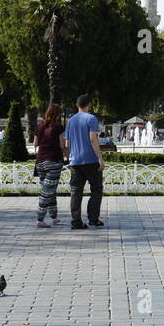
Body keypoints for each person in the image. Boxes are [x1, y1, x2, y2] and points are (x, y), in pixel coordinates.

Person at [63, 94, 105, 230]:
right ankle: (93, 218)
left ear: (77, 104)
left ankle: (76, 221)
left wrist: (69, 158)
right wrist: (100, 158)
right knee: (96, 189)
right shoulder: (91, 118)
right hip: (90, 160)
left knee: (76, 191)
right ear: (89, 105)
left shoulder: (71, 121)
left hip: (75, 161)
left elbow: (67, 143)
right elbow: (93, 139)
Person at [32, 103, 65, 227]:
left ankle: (54, 217)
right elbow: (62, 146)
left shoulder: (39, 126)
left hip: (40, 162)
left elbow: (35, 144)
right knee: (47, 192)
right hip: (54, 161)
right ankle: (40, 219)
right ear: (58, 114)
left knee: (50, 190)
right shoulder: (58, 127)